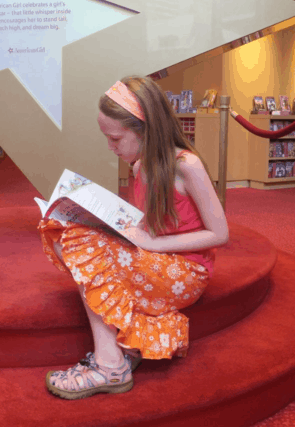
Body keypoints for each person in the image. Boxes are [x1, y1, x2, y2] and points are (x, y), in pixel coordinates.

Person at [38, 76, 229, 400]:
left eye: (114, 138)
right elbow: (147, 223)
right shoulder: (140, 164)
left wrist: (152, 244)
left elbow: (219, 234)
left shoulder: (187, 165)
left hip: (187, 270)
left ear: (145, 130)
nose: (110, 147)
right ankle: (117, 353)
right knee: (62, 232)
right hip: (157, 258)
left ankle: (110, 365)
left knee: (85, 248)